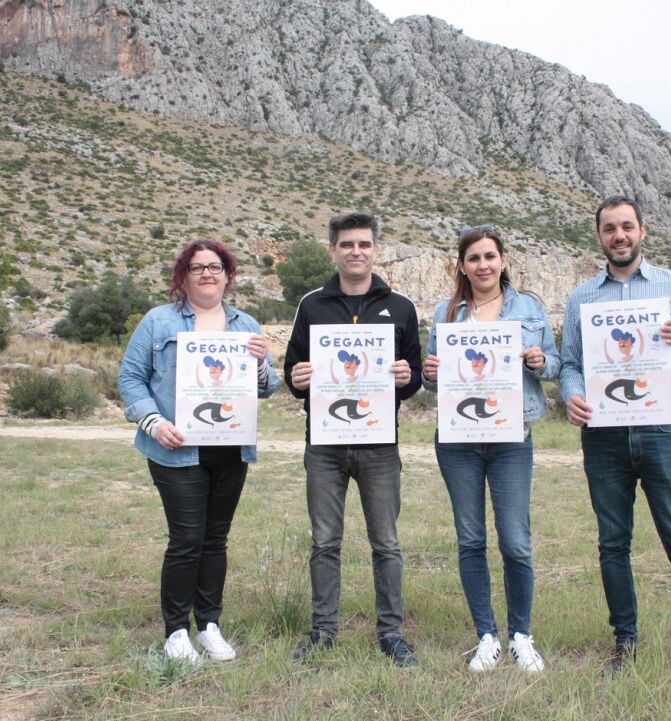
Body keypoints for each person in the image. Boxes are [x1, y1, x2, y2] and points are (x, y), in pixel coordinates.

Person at [559, 196, 671, 681]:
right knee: (613, 544)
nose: (619, 235)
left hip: (663, 430)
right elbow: (569, 364)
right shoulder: (581, 298)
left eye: (626, 226)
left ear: (642, 231)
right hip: (604, 436)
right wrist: (572, 396)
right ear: (599, 237)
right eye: (609, 228)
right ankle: (624, 643)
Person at [119, 239, 281, 663]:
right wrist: (153, 422)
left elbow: (267, 388)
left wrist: (262, 364)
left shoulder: (246, 324)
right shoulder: (158, 322)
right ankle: (176, 631)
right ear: (183, 276)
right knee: (186, 539)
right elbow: (130, 379)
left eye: (215, 267)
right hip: (177, 450)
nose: (207, 274)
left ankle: (209, 624)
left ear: (228, 275)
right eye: (197, 268)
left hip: (230, 449)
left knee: (215, 539)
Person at [283, 212, 423, 666]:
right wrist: (297, 377)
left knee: (386, 542)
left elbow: (415, 374)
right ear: (333, 250)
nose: (356, 252)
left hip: (380, 443)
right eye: (347, 245)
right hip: (323, 444)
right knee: (325, 541)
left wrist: (407, 376)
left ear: (376, 250)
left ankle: (392, 633)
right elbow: (292, 370)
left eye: (364, 244)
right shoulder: (312, 305)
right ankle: (323, 632)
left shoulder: (400, 306)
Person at [422, 224, 560, 672]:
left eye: (490, 256)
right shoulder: (446, 314)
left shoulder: (529, 309)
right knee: (471, 539)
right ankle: (486, 635)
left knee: (516, 542)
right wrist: (430, 371)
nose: (483, 265)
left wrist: (541, 362)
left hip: (510, 439)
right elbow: (430, 381)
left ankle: (521, 634)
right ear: (461, 265)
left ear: (503, 260)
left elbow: (555, 364)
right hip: (458, 441)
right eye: (474, 258)